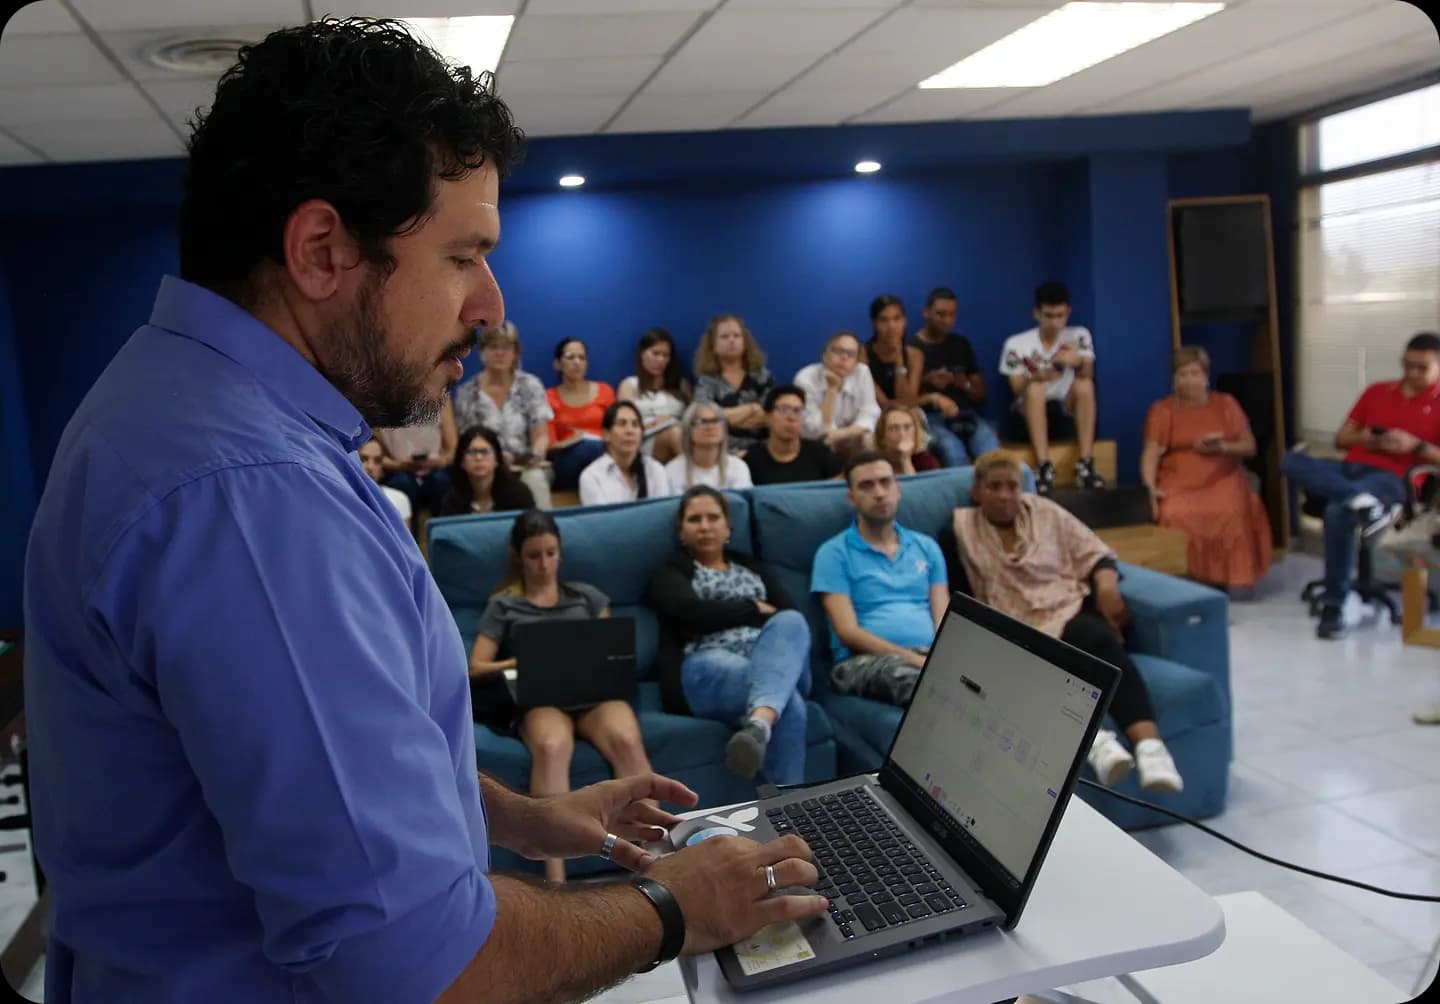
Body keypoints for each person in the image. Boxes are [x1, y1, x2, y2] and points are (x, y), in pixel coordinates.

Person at [23, 19, 825, 1003]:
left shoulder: (172, 402)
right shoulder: (251, 498)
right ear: (323, 249)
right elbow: (420, 963)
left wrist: (519, 814)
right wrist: (677, 903)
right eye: (463, 255)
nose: (491, 302)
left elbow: (293, 771)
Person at [940, 451, 1183, 792]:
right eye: (994, 487)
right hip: (1015, 626)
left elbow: (1094, 553)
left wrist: (1107, 583)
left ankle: (1151, 750)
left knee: (1099, 640)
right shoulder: (959, 532)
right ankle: (1098, 745)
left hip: (1066, 607)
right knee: (1033, 671)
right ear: (977, 491)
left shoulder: (1046, 513)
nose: (1004, 495)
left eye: (1011, 486)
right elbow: (959, 597)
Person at [467, 510, 655, 883]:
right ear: (519, 557)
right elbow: (475, 667)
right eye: (534, 555)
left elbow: (611, 652)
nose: (544, 564)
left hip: (592, 694)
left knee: (626, 737)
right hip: (540, 696)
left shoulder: (587, 597)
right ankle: (557, 879)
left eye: (551, 553)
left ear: (561, 553)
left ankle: (656, 856)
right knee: (552, 746)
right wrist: (522, 660)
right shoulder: (504, 605)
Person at [1280, 331, 1440, 639]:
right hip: (1350, 469)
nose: (1412, 373)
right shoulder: (1377, 392)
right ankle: (1358, 498)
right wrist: (1368, 438)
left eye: (1422, 368)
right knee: (1289, 460)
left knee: (1338, 512)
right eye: (1407, 365)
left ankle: (1335, 604)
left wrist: (1415, 446)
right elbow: (1341, 440)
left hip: (1393, 478)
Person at [649, 487, 812, 783]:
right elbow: (690, 613)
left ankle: (759, 724)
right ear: (681, 532)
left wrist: (736, 613)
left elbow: (787, 616)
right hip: (707, 663)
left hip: (773, 658)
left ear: (728, 527)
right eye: (694, 519)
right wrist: (753, 608)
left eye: (713, 517)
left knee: (792, 620)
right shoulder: (671, 572)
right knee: (790, 706)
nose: (705, 526)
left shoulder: (752, 567)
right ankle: (789, 809)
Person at [812, 452, 949, 709]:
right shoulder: (833, 553)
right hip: (863, 661)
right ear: (851, 498)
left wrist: (941, 657)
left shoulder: (926, 547)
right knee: (922, 685)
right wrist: (912, 658)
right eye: (867, 485)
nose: (879, 492)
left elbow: (943, 617)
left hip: (927, 655)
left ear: (898, 489)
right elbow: (848, 632)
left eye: (886, 482)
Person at [1141, 347, 1273, 592]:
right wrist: (1149, 489)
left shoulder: (1226, 404)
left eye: (1195, 373)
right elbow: (1151, 453)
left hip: (1223, 478)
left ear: (1206, 377)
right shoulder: (1162, 410)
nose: (1189, 380)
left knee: (1233, 509)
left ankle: (1226, 578)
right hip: (1179, 480)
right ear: (1173, 379)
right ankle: (1186, 580)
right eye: (1183, 374)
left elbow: (1250, 447)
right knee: (1173, 512)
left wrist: (1222, 448)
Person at [999, 281, 1104, 494]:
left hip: (1065, 406)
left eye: (1060, 315)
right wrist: (1038, 376)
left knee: (1085, 385)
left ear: (1068, 312)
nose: (1055, 322)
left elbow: (1088, 374)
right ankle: (1044, 465)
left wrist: (1077, 362)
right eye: (1049, 316)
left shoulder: (1078, 335)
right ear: (1037, 313)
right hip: (1028, 409)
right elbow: (1017, 388)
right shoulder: (1017, 343)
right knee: (1036, 388)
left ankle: (1085, 463)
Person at [452, 320, 554, 509]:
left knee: (535, 479)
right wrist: (495, 460)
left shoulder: (531, 385)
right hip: (485, 467)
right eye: (493, 347)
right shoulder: (467, 393)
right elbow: (468, 442)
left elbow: (541, 436)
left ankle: (543, 534)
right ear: (482, 352)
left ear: (515, 352)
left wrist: (534, 456)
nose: (500, 353)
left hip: (526, 466)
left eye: (506, 347)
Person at [912, 286, 1000, 467]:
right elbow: (904, 401)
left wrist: (963, 383)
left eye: (952, 315)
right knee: (953, 452)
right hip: (930, 418)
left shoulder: (961, 345)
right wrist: (927, 382)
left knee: (994, 456)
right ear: (926, 312)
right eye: (941, 314)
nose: (947, 320)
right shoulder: (911, 348)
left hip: (966, 415)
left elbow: (981, 394)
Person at [693, 313, 774, 455]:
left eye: (737, 336)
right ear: (713, 345)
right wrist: (751, 408)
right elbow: (705, 417)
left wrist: (726, 418)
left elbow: (769, 416)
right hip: (720, 452)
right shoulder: (707, 380)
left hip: (762, 450)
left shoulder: (761, 375)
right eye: (724, 337)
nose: (732, 340)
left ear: (745, 341)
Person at [794, 330, 881, 458]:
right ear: (824, 355)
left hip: (851, 438)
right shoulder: (805, 378)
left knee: (868, 440)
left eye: (851, 354)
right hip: (816, 442)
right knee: (824, 445)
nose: (844, 357)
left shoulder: (862, 372)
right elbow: (815, 428)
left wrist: (842, 434)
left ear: (856, 361)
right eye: (838, 351)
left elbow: (870, 414)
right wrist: (832, 389)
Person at [546, 337, 613, 492]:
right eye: (571, 357)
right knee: (588, 448)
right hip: (567, 462)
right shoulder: (549, 398)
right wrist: (574, 441)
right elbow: (549, 447)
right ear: (558, 364)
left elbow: (615, 429)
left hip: (605, 454)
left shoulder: (605, 391)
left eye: (581, 358)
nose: (577, 362)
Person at [372, 394, 458, 515]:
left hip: (436, 469)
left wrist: (440, 461)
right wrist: (398, 465)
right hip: (396, 470)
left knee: (441, 482)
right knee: (402, 484)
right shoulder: (377, 395)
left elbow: (453, 450)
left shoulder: (440, 393)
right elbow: (371, 452)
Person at [745, 384, 844, 486]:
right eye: (785, 410)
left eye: (798, 411)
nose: (792, 417)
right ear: (768, 417)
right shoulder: (753, 458)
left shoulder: (821, 453)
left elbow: (837, 490)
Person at [579, 400, 674, 505]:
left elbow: (661, 515)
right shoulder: (592, 476)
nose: (630, 431)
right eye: (621, 424)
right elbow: (601, 520)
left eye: (635, 424)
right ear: (606, 434)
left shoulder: (654, 469)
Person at [617, 327, 689, 463]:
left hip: (681, 434)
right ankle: (701, 477)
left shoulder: (682, 385)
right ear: (642, 354)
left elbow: (692, 418)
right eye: (655, 354)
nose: (660, 360)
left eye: (665, 355)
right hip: (645, 441)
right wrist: (656, 423)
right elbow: (624, 423)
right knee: (674, 433)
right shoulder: (630, 384)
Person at [437, 425, 536, 516]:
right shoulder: (452, 500)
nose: (479, 457)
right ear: (462, 461)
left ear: (497, 459)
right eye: (472, 452)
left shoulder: (519, 494)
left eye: (485, 451)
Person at [665, 401, 754, 491]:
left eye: (716, 421)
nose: (710, 427)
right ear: (688, 430)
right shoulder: (672, 471)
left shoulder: (738, 467)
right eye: (702, 422)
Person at [862, 294, 926, 408]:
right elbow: (884, 405)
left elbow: (908, 403)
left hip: (906, 418)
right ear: (874, 324)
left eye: (897, 319)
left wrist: (899, 359)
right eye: (884, 320)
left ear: (904, 321)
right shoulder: (862, 354)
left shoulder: (915, 355)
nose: (891, 326)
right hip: (875, 417)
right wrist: (931, 398)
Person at [358, 437, 413, 529]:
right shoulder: (340, 498)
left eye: (377, 461)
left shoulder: (399, 499)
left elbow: (404, 543)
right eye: (363, 459)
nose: (370, 467)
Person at [877, 404, 941, 475]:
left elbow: (919, 486)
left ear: (916, 433)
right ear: (882, 437)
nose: (902, 434)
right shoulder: (874, 462)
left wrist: (905, 459)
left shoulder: (925, 460)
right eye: (894, 428)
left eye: (907, 427)